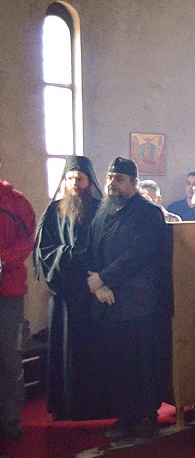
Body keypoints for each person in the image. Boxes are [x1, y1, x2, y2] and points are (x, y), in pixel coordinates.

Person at [89, 157, 171, 440]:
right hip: (110, 300)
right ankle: (126, 415)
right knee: (119, 363)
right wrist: (97, 283)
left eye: (120, 179)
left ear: (134, 183)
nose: (113, 183)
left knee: (141, 363)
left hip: (139, 303)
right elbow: (93, 247)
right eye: (111, 177)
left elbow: (140, 254)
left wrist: (105, 278)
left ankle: (147, 416)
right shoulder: (104, 210)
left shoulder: (148, 213)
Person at [33, 155, 106, 421]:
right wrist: (71, 256)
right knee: (66, 349)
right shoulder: (53, 211)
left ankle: (96, 405)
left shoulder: (101, 211)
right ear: (65, 180)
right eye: (71, 178)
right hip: (65, 292)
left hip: (92, 292)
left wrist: (96, 274)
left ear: (89, 181)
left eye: (80, 178)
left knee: (93, 350)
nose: (75, 183)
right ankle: (66, 405)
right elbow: (44, 251)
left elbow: (108, 248)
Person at [0, 163, 36, 450]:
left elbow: (27, 240)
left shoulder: (15, 202)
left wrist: (2, 259)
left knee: (8, 356)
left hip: (8, 291)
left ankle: (10, 418)